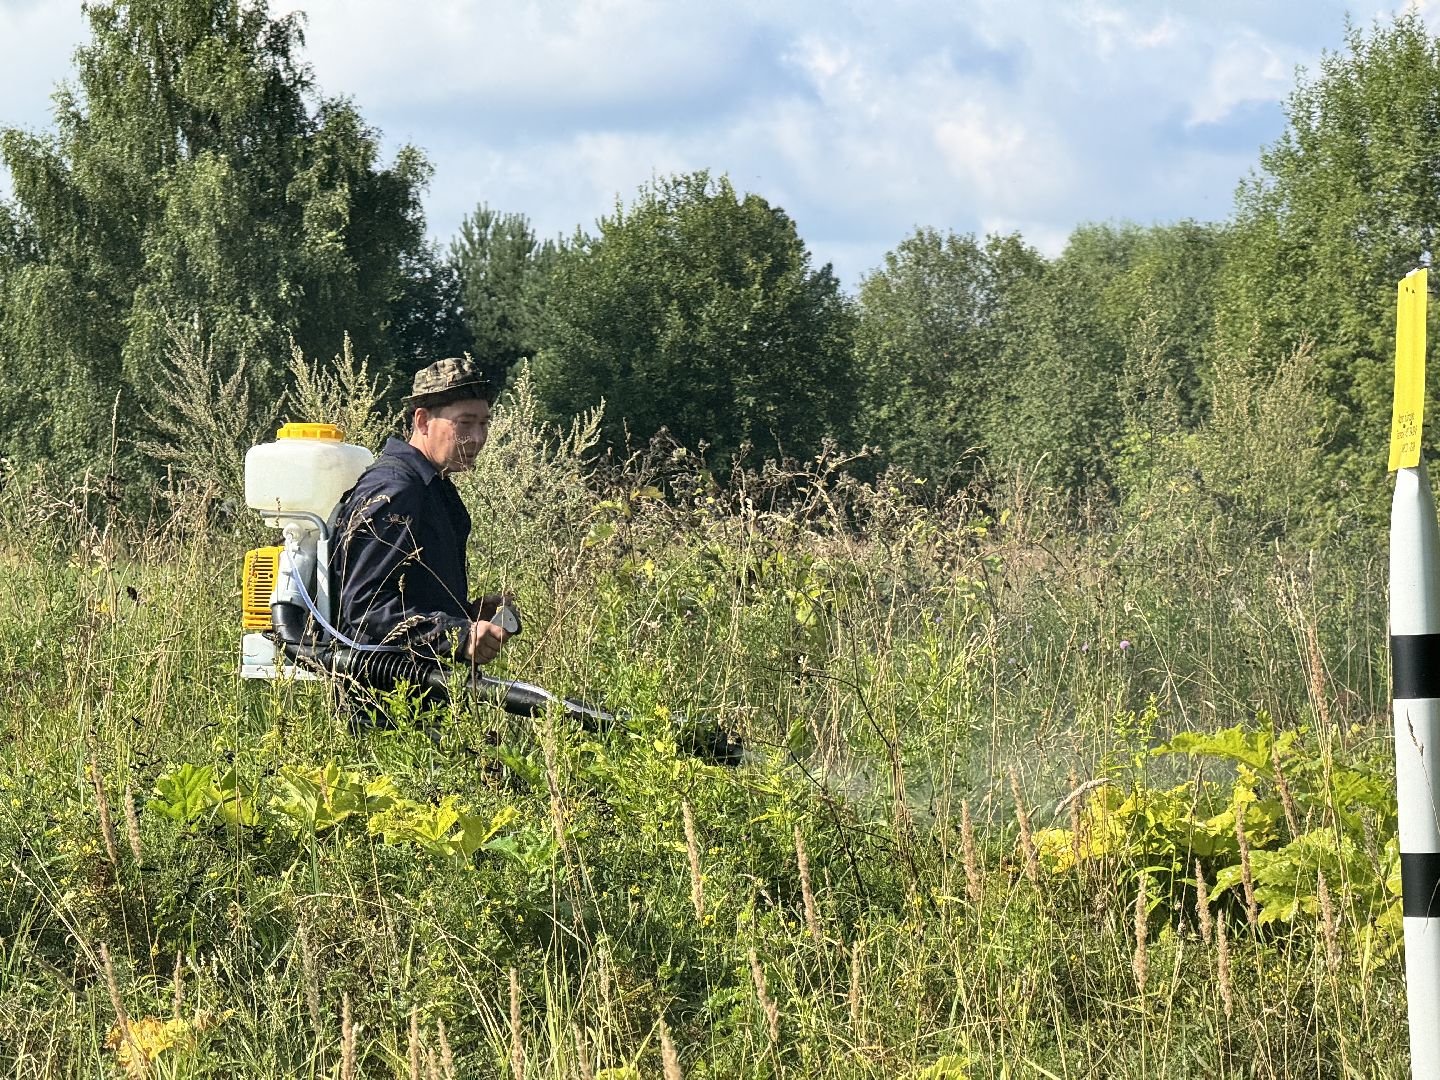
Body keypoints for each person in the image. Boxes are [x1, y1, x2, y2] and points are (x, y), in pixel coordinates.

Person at [332, 355, 515, 668]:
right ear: (422, 421)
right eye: (464, 423)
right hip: (382, 694)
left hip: (419, 684)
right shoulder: (397, 489)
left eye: (484, 423)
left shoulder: (435, 486)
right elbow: (364, 605)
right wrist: (457, 636)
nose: (478, 438)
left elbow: (412, 593)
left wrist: (467, 617)